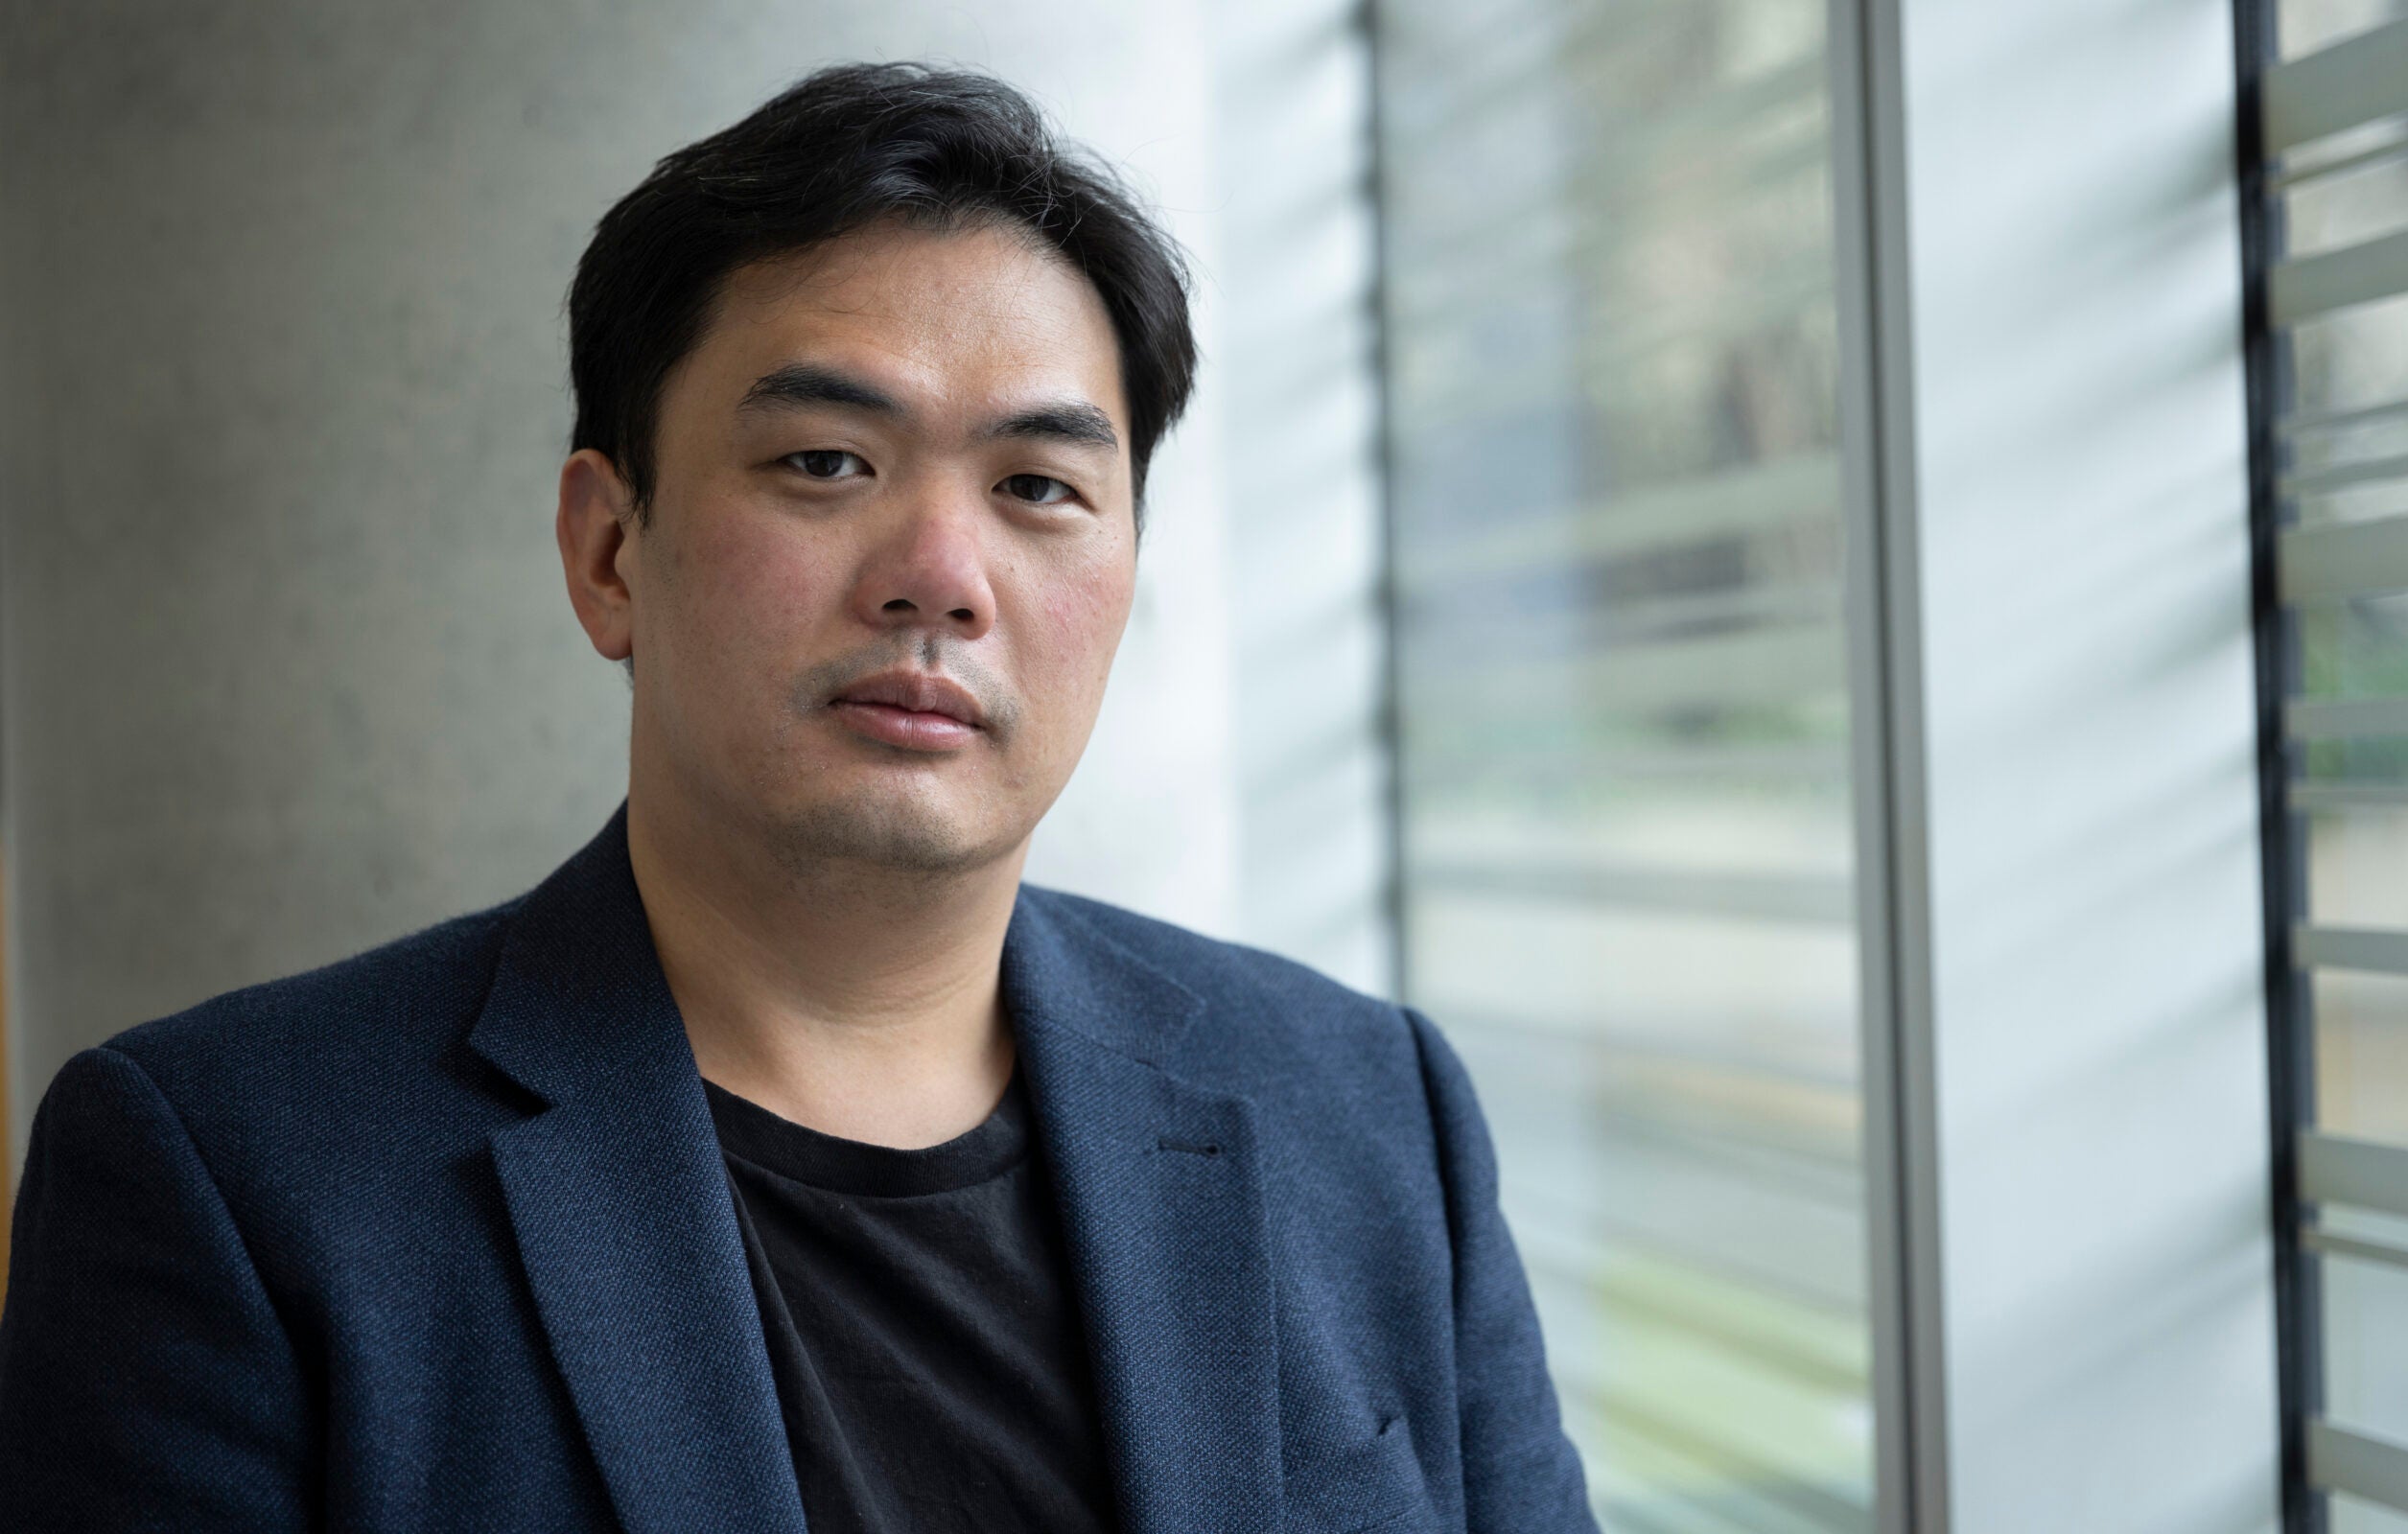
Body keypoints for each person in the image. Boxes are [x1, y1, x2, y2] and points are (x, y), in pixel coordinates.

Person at [0, 62, 1594, 1533]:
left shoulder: (1368, 1109)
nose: (942, 580)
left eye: (1040, 487)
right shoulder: (233, 1177)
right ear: (608, 551)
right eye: (828, 461)